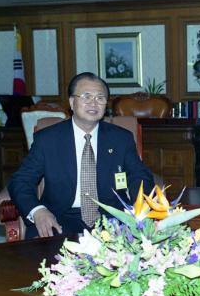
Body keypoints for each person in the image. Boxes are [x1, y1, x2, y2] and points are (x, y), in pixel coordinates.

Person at [8, 72, 154, 239]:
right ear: (72, 102)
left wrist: (139, 206)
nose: (94, 103)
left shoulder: (121, 138)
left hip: (111, 217)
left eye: (100, 98)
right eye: (86, 96)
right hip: (59, 216)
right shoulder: (47, 139)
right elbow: (21, 180)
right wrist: (38, 211)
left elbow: (139, 175)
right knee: (41, 259)